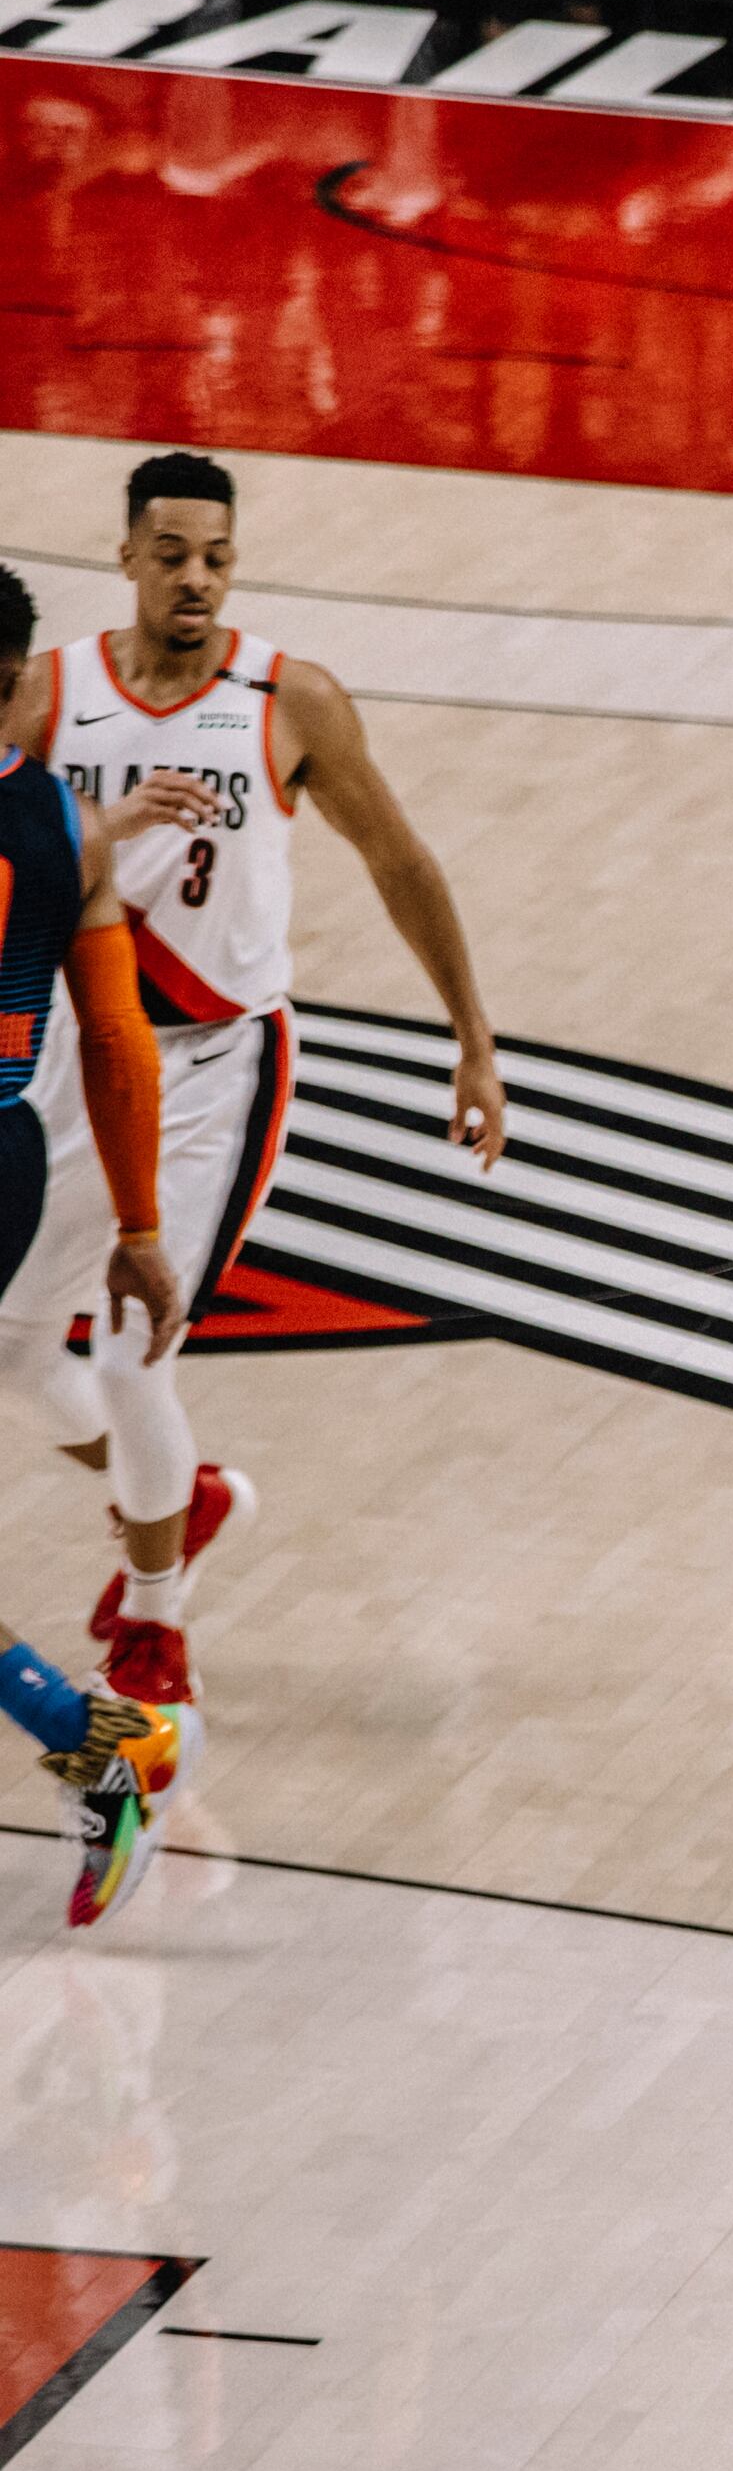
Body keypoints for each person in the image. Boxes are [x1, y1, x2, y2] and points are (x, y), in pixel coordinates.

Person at [0, 454, 501, 1778]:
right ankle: (188, 1498)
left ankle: (154, 1627)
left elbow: (399, 858)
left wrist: (472, 1038)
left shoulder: (291, 699)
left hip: (223, 1062)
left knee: (131, 1357)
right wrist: (104, 824)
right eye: (171, 554)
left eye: (217, 557)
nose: (197, 579)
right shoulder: (49, 692)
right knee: (15, 1351)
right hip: (82, 1049)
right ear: (126, 556)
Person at [0, 569, 181, 1935]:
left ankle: (97, 1745)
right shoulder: (66, 821)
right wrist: (137, 1226)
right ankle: (95, 1741)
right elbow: (117, 1042)